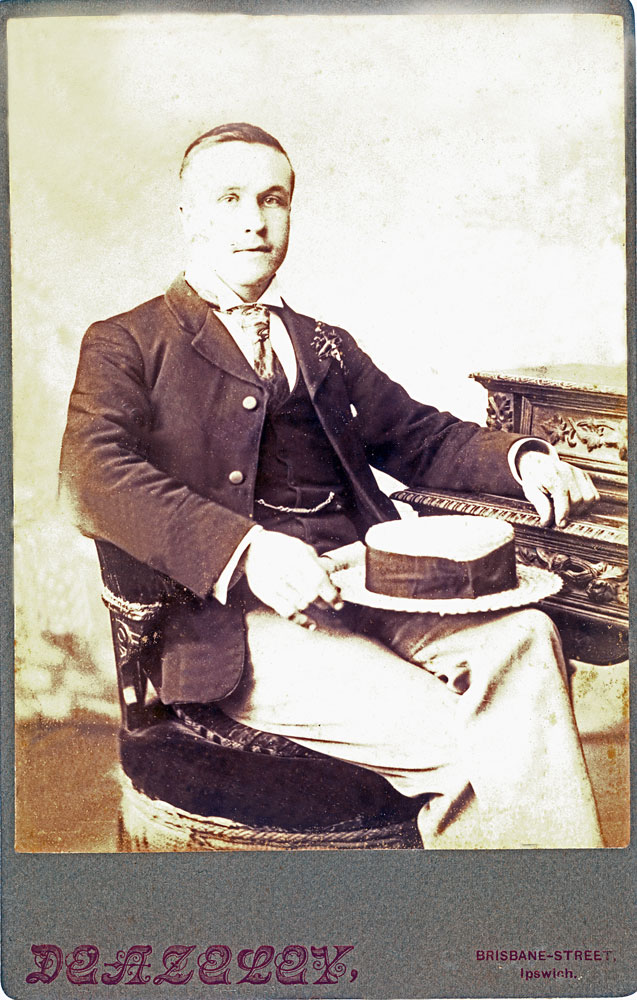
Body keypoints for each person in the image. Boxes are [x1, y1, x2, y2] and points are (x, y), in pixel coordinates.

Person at [60, 123, 603, 848]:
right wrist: (247, 550)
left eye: (273, 199)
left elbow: (421, 437)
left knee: (529, 640)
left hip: (366, 589)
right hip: (238, 627)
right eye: (228, 198)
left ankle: (546, 923)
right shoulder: (127, 341)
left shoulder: (321, 342)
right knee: (478, 749)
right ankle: (499, 938)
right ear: (189, 215)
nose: (254, 220)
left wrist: (522, 461)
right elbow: (90, 472)